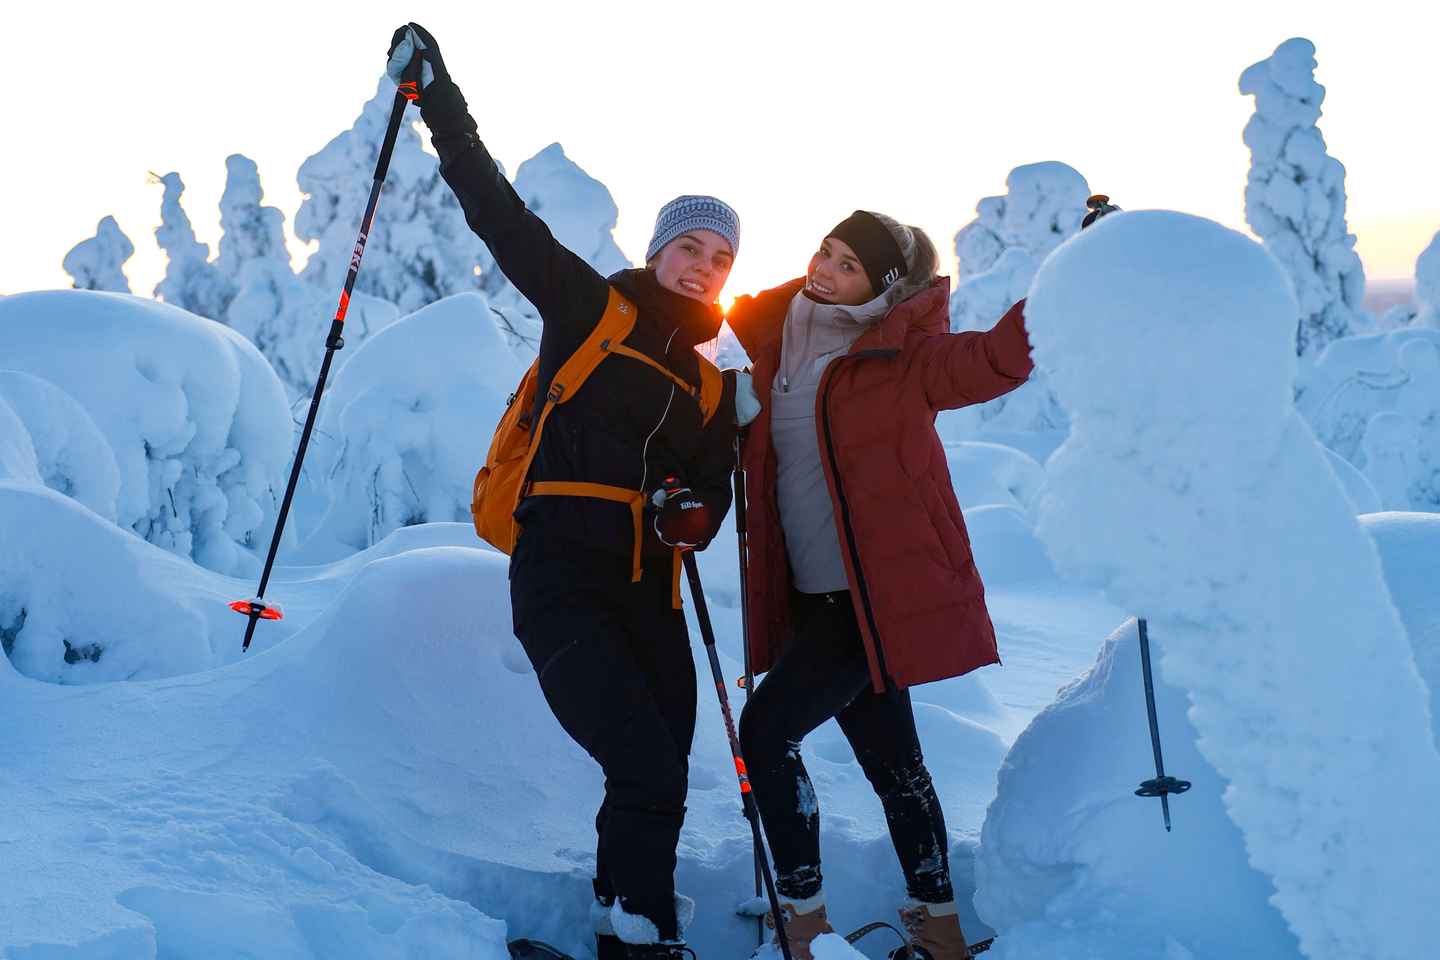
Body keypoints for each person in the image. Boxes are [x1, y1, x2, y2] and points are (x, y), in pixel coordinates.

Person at [386, 24, 740, 960]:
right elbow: (500, 215)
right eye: (690, 247)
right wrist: (440, 103)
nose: (703, 267)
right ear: (659, 250)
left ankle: (626, 928)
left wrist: (695, 512)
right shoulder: (592, 310)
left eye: (720, 258)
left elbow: (713, 491)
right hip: (561, 580)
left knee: (657, 777)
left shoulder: (711, 384)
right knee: (644, 764)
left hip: (651, 599)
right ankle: (642, 941)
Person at [725, 211, 1035, 960]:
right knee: (896, 766)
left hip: (868, 602)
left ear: (883, 286)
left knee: (765, 734)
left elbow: (994, 359)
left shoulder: (906, 355)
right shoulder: (767, 336)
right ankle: (941, 928)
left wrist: (1070, 284)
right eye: (826, 252)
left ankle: (803, 925)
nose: (825, 269)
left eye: (849, 265)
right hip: (806, 597)